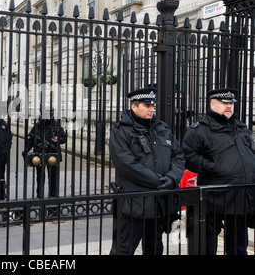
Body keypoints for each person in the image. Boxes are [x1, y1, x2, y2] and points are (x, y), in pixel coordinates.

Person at [109, 87, 185, 255]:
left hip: (159, 203)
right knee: (124, 249)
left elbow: (178, 156)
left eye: (153, 105)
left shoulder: (162, 128)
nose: (152, 109)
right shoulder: (120, 130)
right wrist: (159, 181)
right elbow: (126, 164)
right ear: (134, 107)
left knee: (155, 248)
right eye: (146, 105)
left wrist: (172, 178)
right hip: (134, 203)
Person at [181, 88, 255, 255]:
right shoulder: (199, 129)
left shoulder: (240, 127)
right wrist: (213, 167)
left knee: (238, 243)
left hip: (240, 194)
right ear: (212, 104)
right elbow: (189, 157)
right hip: (214, 194)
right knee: (207, 243)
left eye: (231, 103)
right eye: (224, 103)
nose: (229, 106)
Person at [23, 108, 67, 199]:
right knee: (40, 176)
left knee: (53, 177)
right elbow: (31, 139)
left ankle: (53, 195)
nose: (48, 118)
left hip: (52, 154)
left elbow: (64, 138)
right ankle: (40, 195)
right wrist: (26, 150)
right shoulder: (38, 125)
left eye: (50, 116)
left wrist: (58, 139)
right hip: (39, 153)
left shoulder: (56, 125)